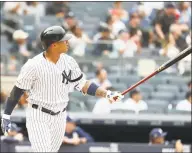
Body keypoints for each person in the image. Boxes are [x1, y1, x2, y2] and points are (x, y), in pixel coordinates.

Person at [1, 26, 124, 152]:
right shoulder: (33, 65)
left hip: (60, 116)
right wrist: (6, 115)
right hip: (39, 115)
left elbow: (83, 84)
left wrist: (107, 94)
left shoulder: (69, 62)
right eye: (64, 40)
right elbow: (17, 91)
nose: (67, 42)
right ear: (54, 45)